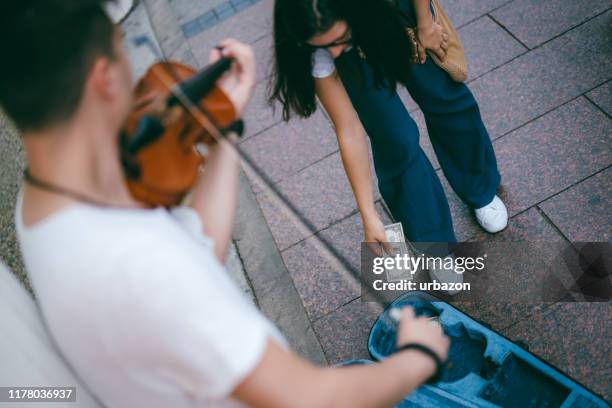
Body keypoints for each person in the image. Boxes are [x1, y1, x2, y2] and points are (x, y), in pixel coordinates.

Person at [0, 1, 449, 407]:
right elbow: (311, 397)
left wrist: (224, 132)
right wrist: (416, 355)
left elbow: (200, 246)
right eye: (125, 50)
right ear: (104, 79)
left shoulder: (38, 208)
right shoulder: (145, 271)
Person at [269, 0, 508, 284]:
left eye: (337, 40)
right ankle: (435, 246)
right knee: (393, 139)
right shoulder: (310, 34)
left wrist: (425, 23)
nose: (333, 52)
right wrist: (368, 214)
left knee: (443, 96)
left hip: (395, 12)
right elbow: (348, 129)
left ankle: (479, 188)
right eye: (323, 47)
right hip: (359, 39)